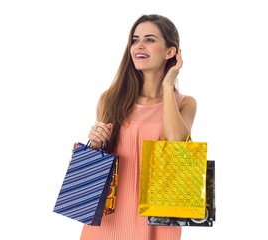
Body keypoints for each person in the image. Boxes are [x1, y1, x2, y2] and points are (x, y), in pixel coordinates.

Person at [80, 14, 197, 240]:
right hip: (108, 221)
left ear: (170, 52)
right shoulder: (110, 99)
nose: (139, 46)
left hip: (157, 220)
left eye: (150, 39)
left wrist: (167, 84)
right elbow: (98, 164)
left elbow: (177, 147)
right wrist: (95, 143)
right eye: (135, 40)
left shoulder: (185, 103)